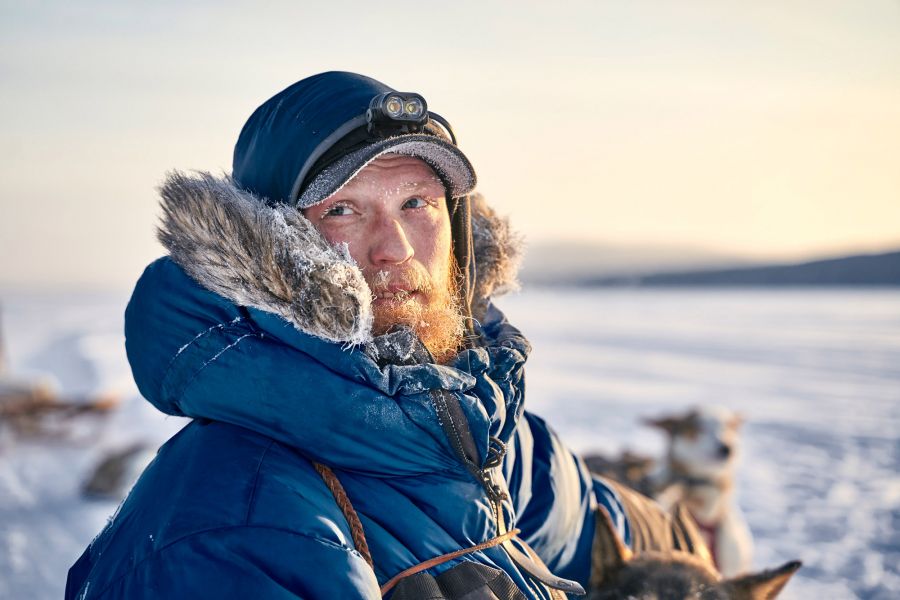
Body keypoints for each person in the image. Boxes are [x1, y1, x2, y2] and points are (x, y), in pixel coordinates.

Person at [65, 71, 685, 599]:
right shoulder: (238, 525)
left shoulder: (468, 426)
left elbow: (580, 513)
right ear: (274, 248)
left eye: (417, 203)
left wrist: (688, 551)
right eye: (342, 209)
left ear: (460, 230)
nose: (394, 250)